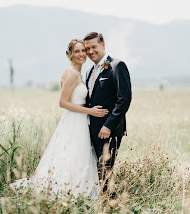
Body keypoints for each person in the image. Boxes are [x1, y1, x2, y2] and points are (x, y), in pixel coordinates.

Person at [10, 39, 109, 198]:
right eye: (77, 51)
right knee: (70, 155)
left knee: (77, 155)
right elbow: (62, 102)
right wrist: (90, 111)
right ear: (70, 54)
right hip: (74, 121)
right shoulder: (71, 73)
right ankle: (63, 192)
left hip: (80, 121)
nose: (82, 54)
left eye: (83, 50)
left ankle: (76, 191)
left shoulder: (78, 72)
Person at [84, 32, 132, 193]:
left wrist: (109, 126)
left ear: (103, 46)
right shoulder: (89, 71)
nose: (90, 51)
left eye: (94, 47)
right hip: (91, 130)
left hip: (108, 131)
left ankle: (111, 205)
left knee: (105, 170)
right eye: (87, 48)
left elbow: (124, 99)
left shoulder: (117, 66)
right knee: (95, 172)